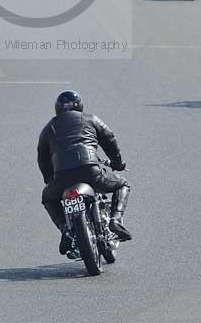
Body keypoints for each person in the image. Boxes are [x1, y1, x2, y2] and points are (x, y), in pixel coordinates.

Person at [38, 90, 131, 255]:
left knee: (48, 197)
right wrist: (117, 163)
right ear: (80, 105)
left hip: (62, 177)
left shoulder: (49, 127)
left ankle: (65, 229)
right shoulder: (91, 119)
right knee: (122, 184)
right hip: (91, 171)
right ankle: (115, 220)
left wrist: (48, 179)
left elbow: (42, 156)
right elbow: (109, 139)